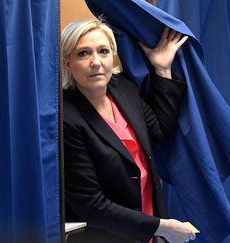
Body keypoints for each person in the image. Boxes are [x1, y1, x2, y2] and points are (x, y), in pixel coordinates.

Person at [62, 19, 196, 243]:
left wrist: (162, 69)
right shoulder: (67, 118)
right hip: (107, 237)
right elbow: (91, 206)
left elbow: (159, 131)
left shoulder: (123, 88)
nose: (96, 62)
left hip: (149, 231)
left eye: (103, 51)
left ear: (112, 57)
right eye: (83, 53)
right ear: (68, 64)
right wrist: (161, 227)